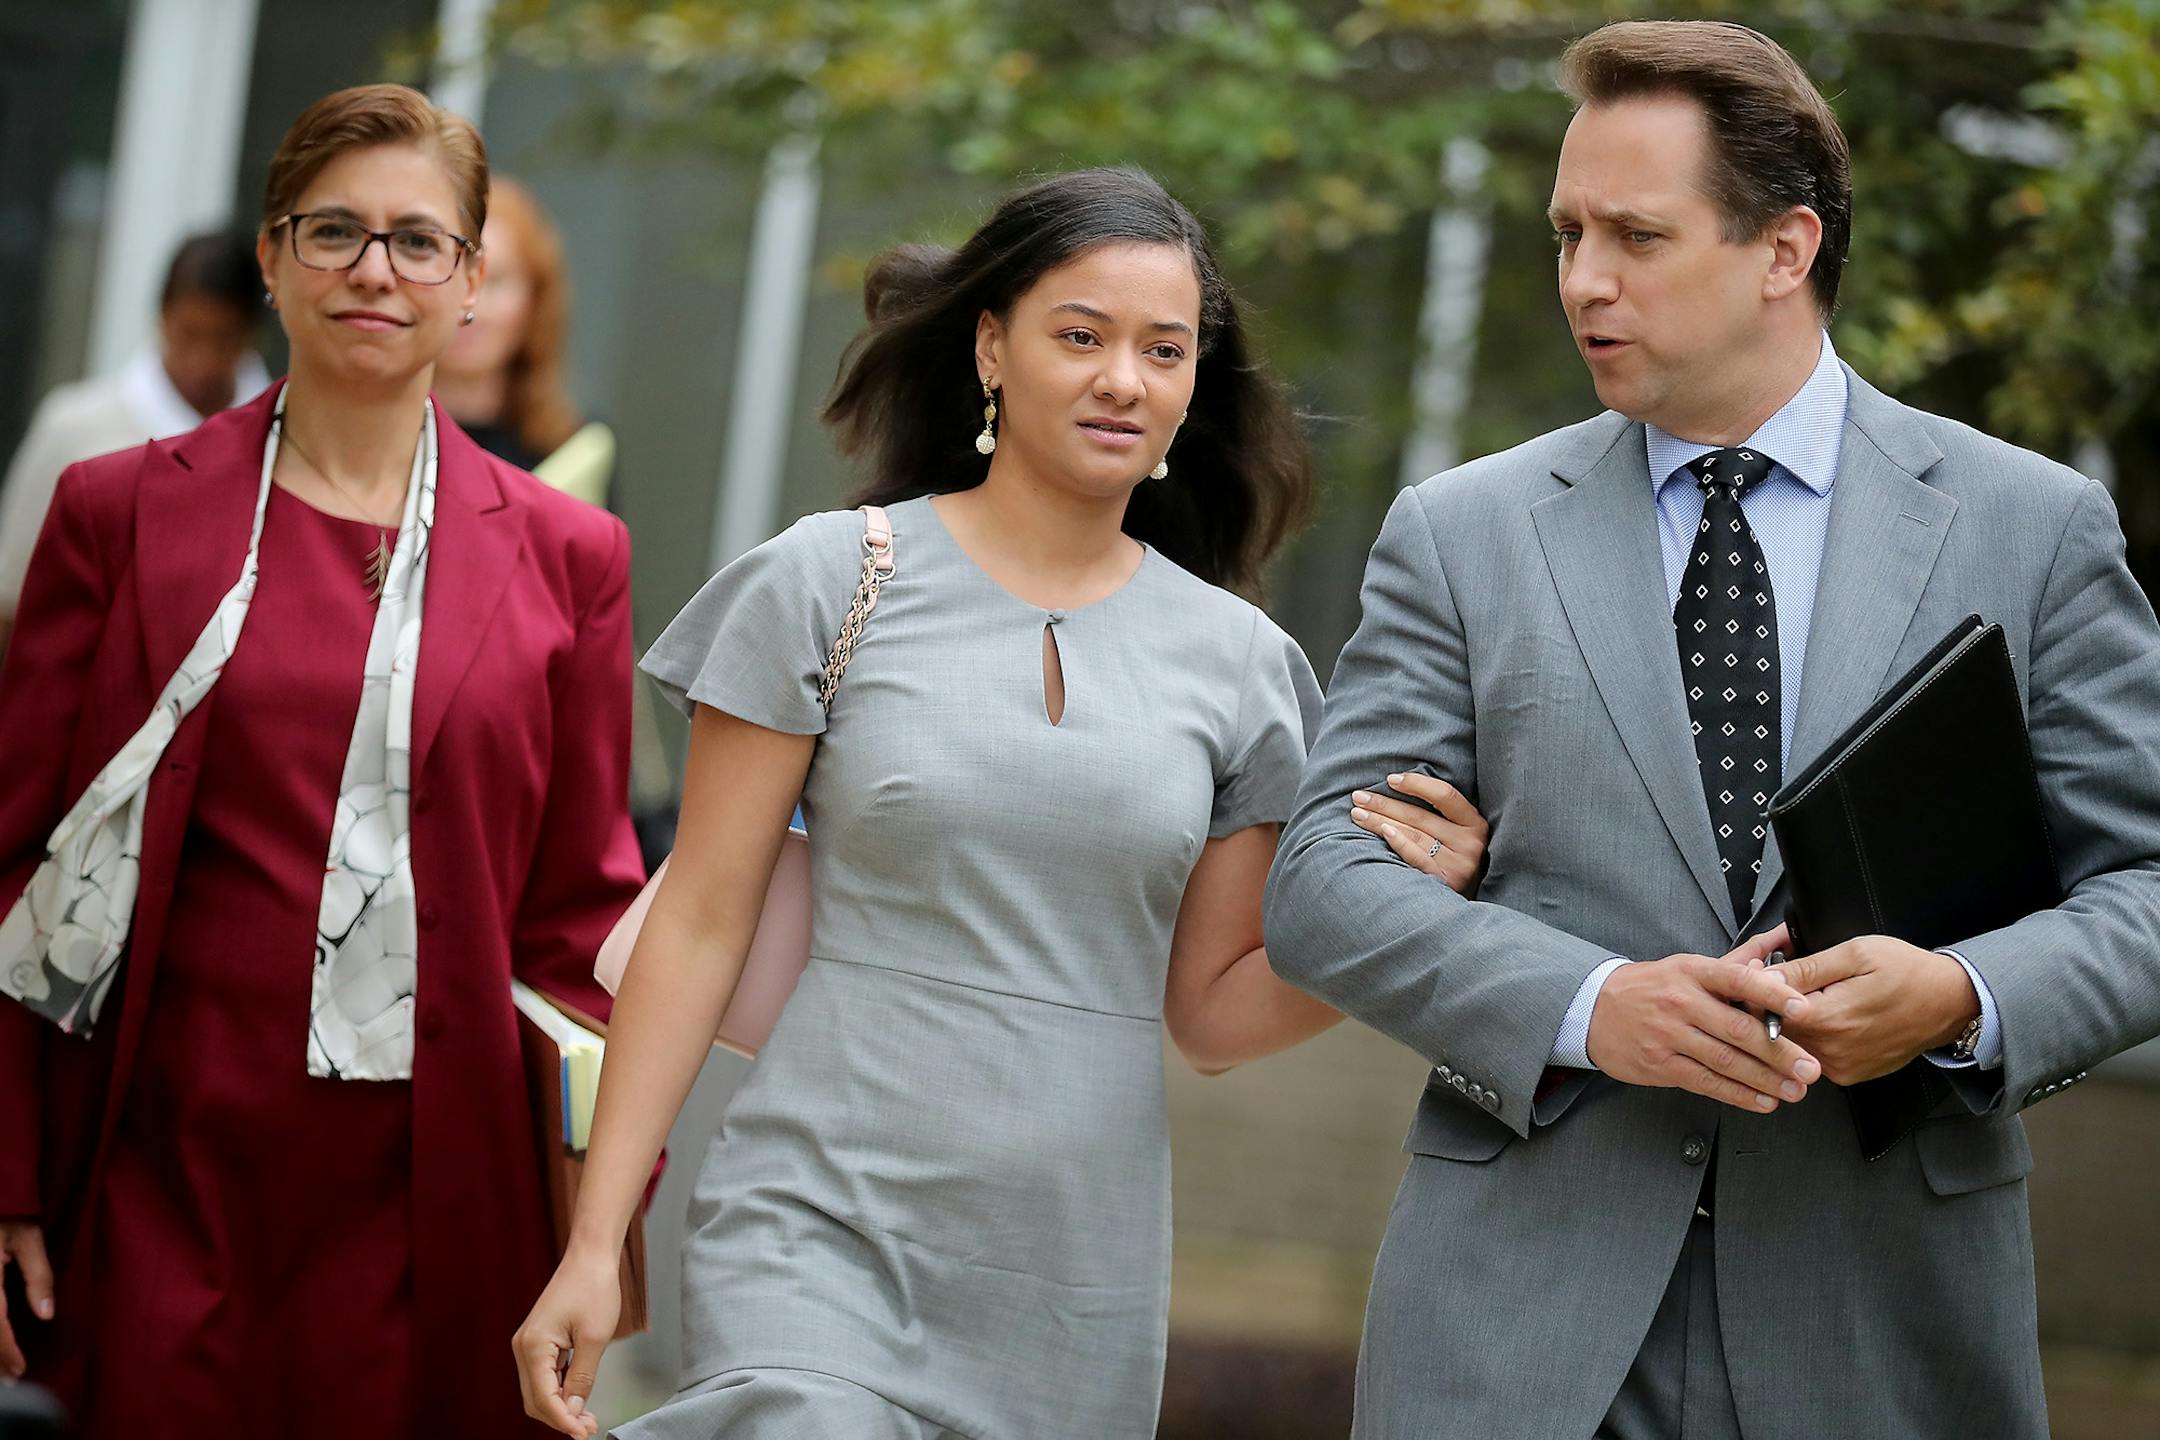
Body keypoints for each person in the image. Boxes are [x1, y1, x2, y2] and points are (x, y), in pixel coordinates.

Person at [1265, 20, 2160, 1440]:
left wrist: (1962, 1000)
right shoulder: (1465, 534)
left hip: (1879, 1323)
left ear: (1784, 250)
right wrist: (1588, 1004)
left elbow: (2148, 887)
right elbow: (1318, 883)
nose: (1583, 280)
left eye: (1635, 235)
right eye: (1567, 233)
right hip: (1517, 1328)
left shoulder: (2034, 532)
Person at [512, 166, 1490, 1439]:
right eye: (1079, 336)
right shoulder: (826, 582)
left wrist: (1413, 909)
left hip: (1072, 1271)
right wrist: (597, 1239)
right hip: (819, 1215)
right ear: (991, 346)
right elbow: (698, 918)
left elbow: (1212, 1010)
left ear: (1196, 385)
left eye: (1163, 350)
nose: (1121, 379)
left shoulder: (1244, 668)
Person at [0, 83, 645, 1439]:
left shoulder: (569, 557)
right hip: (155, 1160)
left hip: (434, 1194)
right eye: (334, 230)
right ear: (272, 260)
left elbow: (579, 924)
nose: (374, 269)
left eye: (420, 241)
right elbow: (19, 861)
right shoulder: (116, 513)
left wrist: (597, 1234)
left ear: (472, 281)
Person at [0, 232, 270, 651]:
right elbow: (12, 598)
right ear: (161, 317)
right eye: (189, 334)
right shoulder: (74, 428)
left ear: (252, 333)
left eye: (224, 340)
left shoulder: (283, 447)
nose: (203, 361)